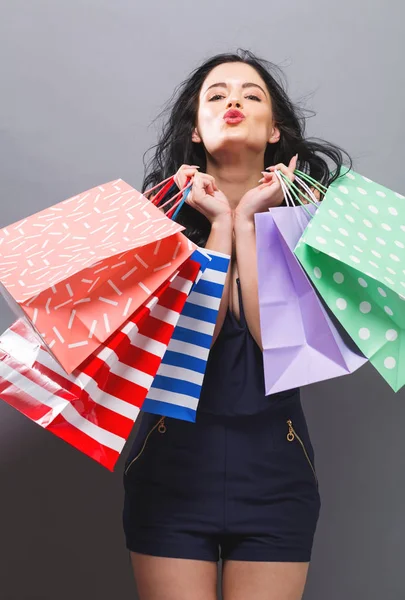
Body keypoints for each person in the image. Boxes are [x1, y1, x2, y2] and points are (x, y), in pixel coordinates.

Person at [123, 49, 350, 600]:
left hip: (276, 476)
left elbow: (276, 342)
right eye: (217, 95)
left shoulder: (320, 224)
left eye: (251, 96)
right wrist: (218, 226)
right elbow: (180, 347)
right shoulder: (151, 222)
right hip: (170, 470)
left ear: (275, 131)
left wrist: (247, 220)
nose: (233, 103)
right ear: (195, 131)